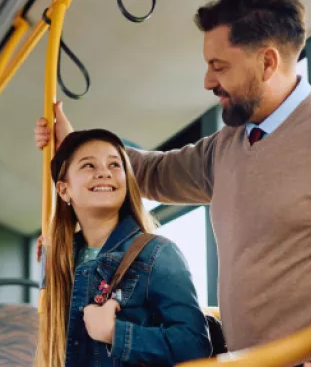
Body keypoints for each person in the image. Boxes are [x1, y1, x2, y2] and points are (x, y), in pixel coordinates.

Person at [35, 0, 311, 366]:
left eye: (219, 67)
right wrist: (73, 145)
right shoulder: (226, 147)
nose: (207, 81)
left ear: (267, 63)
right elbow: (149, 172)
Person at [35, 128, 212, 367]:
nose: (104, 173)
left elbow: (195, 345)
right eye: (89, 165)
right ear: (64, 189)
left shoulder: (158, 253)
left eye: (115, 165)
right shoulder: (56, 259)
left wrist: (115, 333)